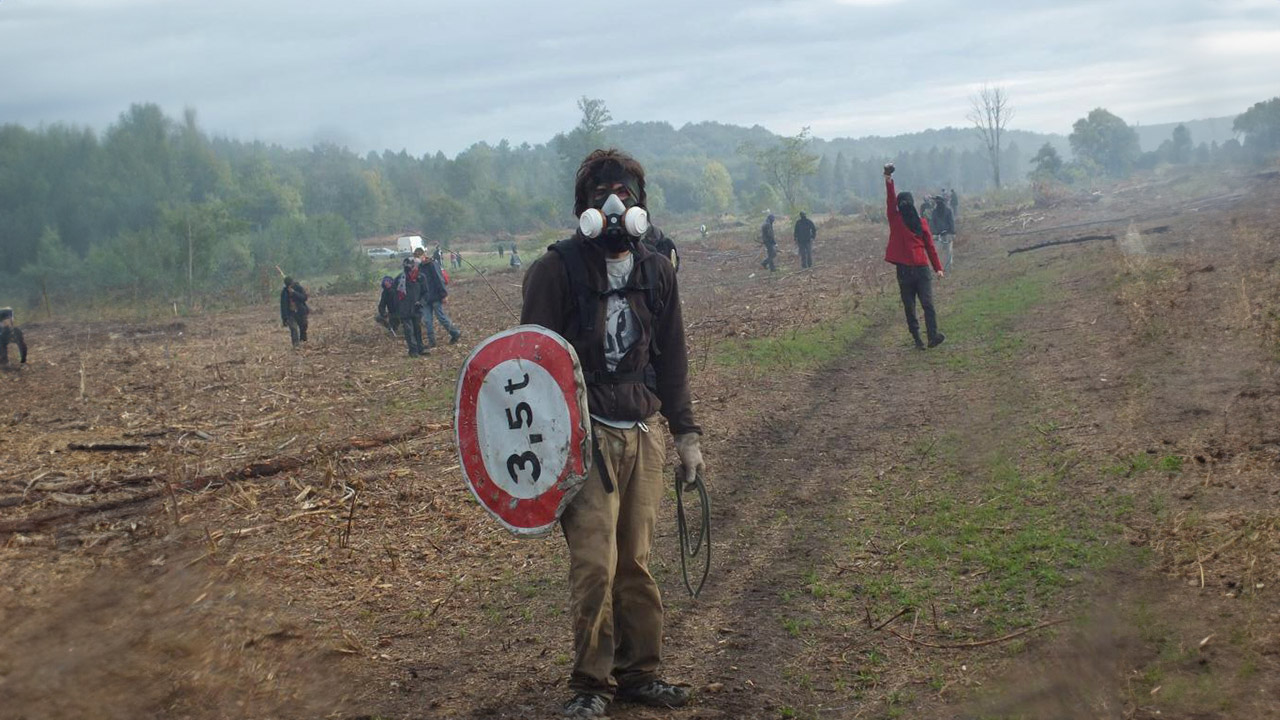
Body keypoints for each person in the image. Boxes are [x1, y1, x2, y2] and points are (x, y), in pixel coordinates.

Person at [521, 149, 704, 718]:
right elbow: (528, 368)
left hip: (642, 433)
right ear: (586, 209)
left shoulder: (657, 271)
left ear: (641, 206)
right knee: (595, 565)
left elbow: (672, 358)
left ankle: (640, 674)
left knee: (636, 562)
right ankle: (590, 686)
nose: (617, 204)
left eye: (626, 194)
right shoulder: (554, 272)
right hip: (585, 439)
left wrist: (686, 435)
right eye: (605, 194)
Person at [882, 164, 945, 350]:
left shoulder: (921, 223)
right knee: (910, 307)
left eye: (906, 203)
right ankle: (917, 338)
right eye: (902, 204)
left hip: (921, 269)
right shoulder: (895, 219)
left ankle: (932, 336)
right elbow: (890, 199)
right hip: (905, 270)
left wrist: (938, 267)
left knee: (927, 304)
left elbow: (930, 247)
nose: (904, 206)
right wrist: (888, 178)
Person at [419, 253, 462, 348]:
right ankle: (432, 341)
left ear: (424, 255)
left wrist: (444, 295)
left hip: (435, 296)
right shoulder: (419, 267)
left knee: (441, 317)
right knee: (427, 320)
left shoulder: (433, 264)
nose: (419, 258)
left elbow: (439, 279)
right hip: (425, 299)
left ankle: (455, 333)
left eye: (420, 255)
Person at [395, 258, 428, 356]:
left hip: (416, 308)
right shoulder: (399, 278)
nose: (409, 267)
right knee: (409, 331)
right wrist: (397, 308)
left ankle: (420, 349)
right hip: (404, 308)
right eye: (407, 265)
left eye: (411, 265)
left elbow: (425, 293)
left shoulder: (421, 277)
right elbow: (394, 294)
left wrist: (421, 302)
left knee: (417, 329)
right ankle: (413, 351)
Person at [279, 276, 310, 348]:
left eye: (290, 285)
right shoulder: (284, 292)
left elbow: (304, 298)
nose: (289, 286)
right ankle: (296, 346)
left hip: (300, 312)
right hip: (291, 313)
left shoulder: (298, 288)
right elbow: (283, 306)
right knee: (293, 329)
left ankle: (304, 342)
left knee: (303, 326)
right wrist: (284, 319)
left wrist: (294, 293)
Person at [929, 195, 956, 273]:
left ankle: (947, 269)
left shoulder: (946, 211)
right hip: (939, 235)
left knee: (947, 252)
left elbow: (951, 222)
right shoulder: (939, 211)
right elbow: (932, 223)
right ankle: (941, 268)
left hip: (945, 234)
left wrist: (952, 233)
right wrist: (933, 233)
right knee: (944, 252)